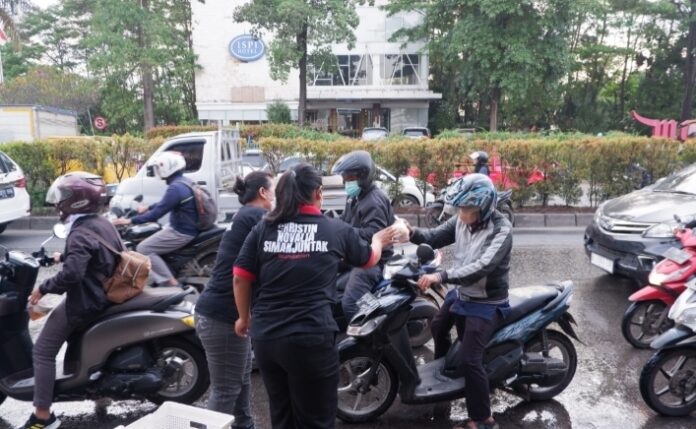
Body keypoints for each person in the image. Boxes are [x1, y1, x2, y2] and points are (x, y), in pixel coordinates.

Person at [233, 163, 397, 429]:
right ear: (318, 193)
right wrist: (378, 240)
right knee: (316, 419)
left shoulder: (263, 228)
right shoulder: (334, 229)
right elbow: (369, 259)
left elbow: (240, 277)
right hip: (310, 339)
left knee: (282, 415)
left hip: (267, 339)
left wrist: (244, 318)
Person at [402, 174, 511, 429]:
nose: (461, 213)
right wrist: (411, 232)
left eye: (466, 208)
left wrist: (440, 275)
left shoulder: (501, 229)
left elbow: (481, 267)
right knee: (438, 325)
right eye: (460, 207)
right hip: (463, 292)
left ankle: (483, 419)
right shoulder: (462, 219)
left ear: (483, 207)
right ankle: (446, 371)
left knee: (471, 359)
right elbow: (434, 236)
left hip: (487, 302)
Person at [23, 172, 122, 429]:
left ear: (76, 200)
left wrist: (43, 288)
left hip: (88, 300)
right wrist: (62, 256)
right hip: (103, 294)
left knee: (43, 351)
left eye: (62, 197)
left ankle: (42, 416)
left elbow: (72, 275)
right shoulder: (100, 223)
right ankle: (99, 393)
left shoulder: (80, 232)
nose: (58, 202)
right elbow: (94, 256)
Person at [194, 171, 274, 429]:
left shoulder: (245, 215)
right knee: (226, 389)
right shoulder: (256, 216)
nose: (276, 196)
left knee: (240, 383)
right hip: (223, 317)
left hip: (222, 315)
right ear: (263, 192)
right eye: (274, 189)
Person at [112, 151, 198, 287]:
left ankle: (171, 283)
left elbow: (156, 214)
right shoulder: (184, 182)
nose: (158, 171)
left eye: (159, 168)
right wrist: (147, 207)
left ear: (168, 167)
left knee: (143, 248)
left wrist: (130, 221)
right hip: (185, 226)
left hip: (181, 231)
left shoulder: (175, 188)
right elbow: (165, 203)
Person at [330, 150, 395, 321]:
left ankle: (372, 335)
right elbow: (344, 220)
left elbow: (372, 235)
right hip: (354, 255)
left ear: (363, 176)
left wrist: (343, 231)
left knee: (351, 303)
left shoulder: (374, 201)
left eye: (350, 178)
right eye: (345, 177)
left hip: (372, 261)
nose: (346, 181)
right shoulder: (355, 197)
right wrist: (327, 224)